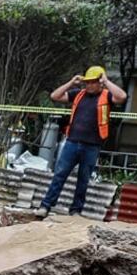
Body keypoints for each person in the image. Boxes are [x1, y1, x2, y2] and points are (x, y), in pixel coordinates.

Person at [36, 66, 127, 218]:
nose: (89, 85)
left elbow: (122, 96)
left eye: (92, 82)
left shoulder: (107, 96)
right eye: (87, 82)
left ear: (100, 82)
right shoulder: (78, 94)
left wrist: (106, 81)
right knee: (59, 175)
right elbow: (55, 96)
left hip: (92, 146)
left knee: (83, 180)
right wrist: (71, 83)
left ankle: (76, 210)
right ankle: (45, 206)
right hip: (72, 143)